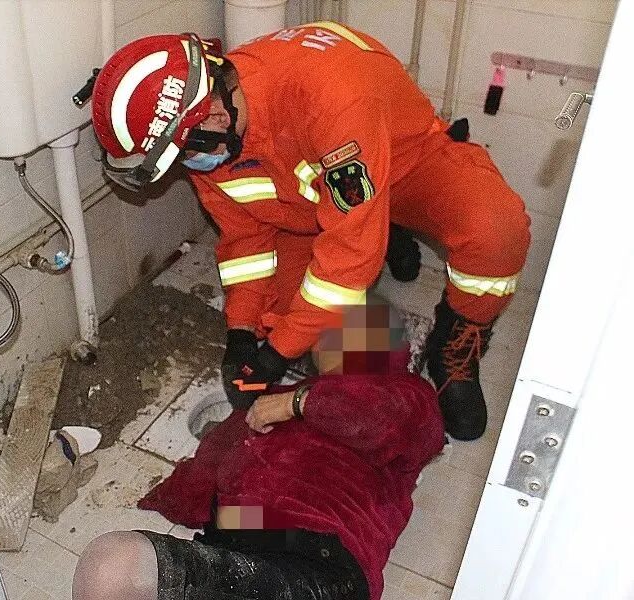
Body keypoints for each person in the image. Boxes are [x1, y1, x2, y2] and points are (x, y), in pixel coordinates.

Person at [86, 22, 531, 441]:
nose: (190, 165)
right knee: (296, 324)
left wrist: (275, 355)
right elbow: (245, 239)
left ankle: (454, 343)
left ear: (217, 113)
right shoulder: (206, 125)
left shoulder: (329, 96)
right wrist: (241, 330)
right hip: (313, 205)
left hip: (406, 163)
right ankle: (381, 234)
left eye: (185, 154)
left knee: (495, 231)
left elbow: (349, 259)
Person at [71, 302, 445, 600]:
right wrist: (169, 498)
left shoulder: (408, 393)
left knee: (113, 566)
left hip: (319, 560)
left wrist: (298, 404)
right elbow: (209, 466)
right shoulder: (271, 402)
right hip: (234, 546)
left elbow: (378, 420)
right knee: (110, 568)